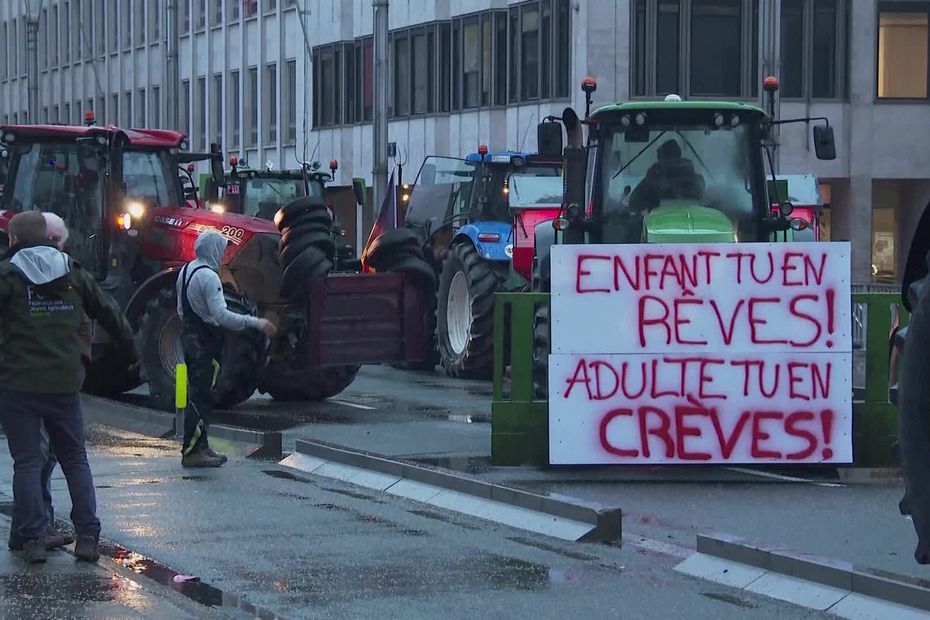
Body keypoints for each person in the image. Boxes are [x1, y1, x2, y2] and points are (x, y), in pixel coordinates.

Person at [0, 211, 138, 564]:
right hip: (65, 384)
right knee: (75, 459)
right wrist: (131, 352)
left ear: (14, 239)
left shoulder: (8, 275)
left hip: (19, 384)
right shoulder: (73, 272)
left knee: (28, 463)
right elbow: (109, 312)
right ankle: (88, 537)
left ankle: (33, 540)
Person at [4, 213, 76, 553]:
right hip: (38, 382)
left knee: (34, 461)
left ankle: (27, 530)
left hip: (31, 380)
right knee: (40, 460)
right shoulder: (30, 276)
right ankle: (35, 529)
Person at [177, 231, 276, 468]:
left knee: (199, 394)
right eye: (222, 250)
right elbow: (222, 316)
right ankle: (192, 451)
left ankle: (201, 446)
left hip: (191, 337)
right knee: (202, 396)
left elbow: (181, 309)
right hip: (205, 342)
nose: (224, 255)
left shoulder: (186, 270)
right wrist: (256, 323)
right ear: (213, 250)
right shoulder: (210, 278)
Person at [628, 139, 705, 212]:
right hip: (658, 223)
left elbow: (701, 204)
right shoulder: (654, 180)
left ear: (677, 158)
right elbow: (633, 204)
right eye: (660, 160)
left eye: (663, 159)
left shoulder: (694, 181)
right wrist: (649, 180)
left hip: (690, 223)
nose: (661, 163)